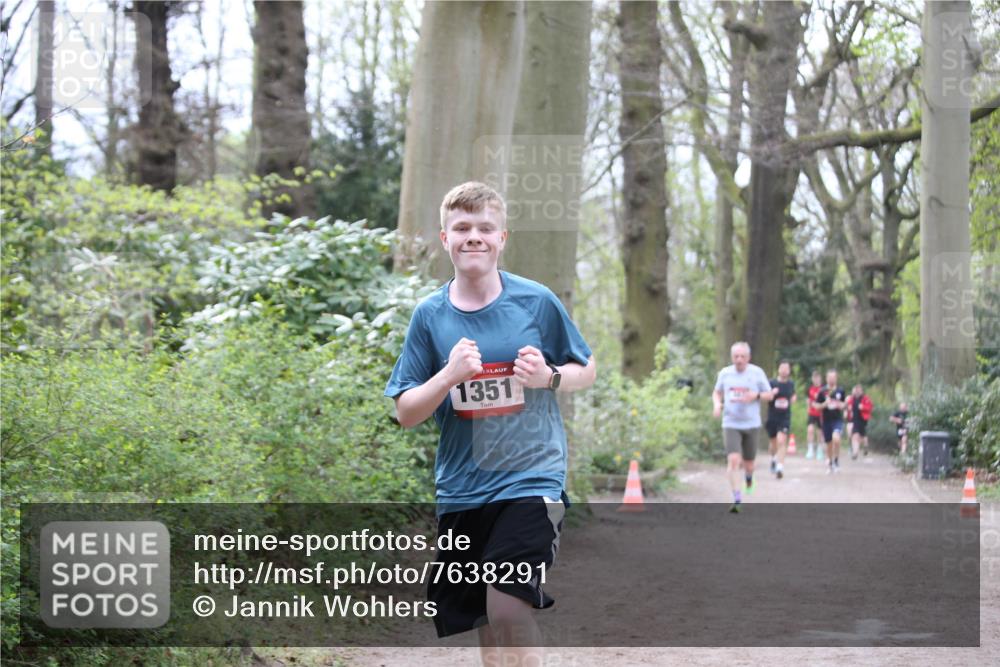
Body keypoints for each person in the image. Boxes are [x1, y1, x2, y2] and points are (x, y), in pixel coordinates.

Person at [385, 182, 596, 665]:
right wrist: (448, 375)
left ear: (503, 237)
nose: (473, 237)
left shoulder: (536, 302)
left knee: (507, 610)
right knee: (484, 620)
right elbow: (406, 411)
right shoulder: (430, 316)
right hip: (463, 488)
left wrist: (549, 377)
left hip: (532, 478)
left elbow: (587, 368)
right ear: (445, 239)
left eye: (485, 228)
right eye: (462, 228)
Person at [712, 342, 777, 512]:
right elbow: (717, 392)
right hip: (731, 423)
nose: (739, 360)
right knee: (734, 460)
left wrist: (755, 395)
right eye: (736, 356)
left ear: (748, 358)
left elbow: (769, 395)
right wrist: (717, 404)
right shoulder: (725, 374)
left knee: (749, 464)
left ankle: (749, 478)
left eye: (742, 357)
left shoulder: (757, 373)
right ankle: (737, 498)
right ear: (732, 357)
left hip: (751, 424)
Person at [766, 360, 796, 479]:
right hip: (772, 417)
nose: (784, 371)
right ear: (778, 369)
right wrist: (771, 393)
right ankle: (773, 458)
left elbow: (793, 394)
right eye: (782, 368)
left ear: (789, 371)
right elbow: (765, 397)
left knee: (782, 440)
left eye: (786, 369)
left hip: (785, 417)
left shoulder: (790, 384)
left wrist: (793, 398)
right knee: (773, 443)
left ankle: (780, 466)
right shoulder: (771, 382)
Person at [814, 370, 847, 473]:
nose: (832, 379)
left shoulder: (840, 391)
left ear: (836, 378)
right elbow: (816, 406)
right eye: (830, 377)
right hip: (826, 420)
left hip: (837, 420)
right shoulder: (822, 391)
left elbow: (844, 404)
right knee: (829, 444)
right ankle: (830, 462)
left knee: (836, 438)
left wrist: (839, 404)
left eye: (833, 377)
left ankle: (836, 459)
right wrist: (824, 404)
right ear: (827, 378)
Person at [847, 383, 873, 460]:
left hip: (863, 420)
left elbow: (870, 407)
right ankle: (855, 453)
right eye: (856, 390)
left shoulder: (865, 398)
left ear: (861, 391)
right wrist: (848, 408)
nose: (857, 392)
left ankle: (865, 446)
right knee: (855, 436)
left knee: (863, 435)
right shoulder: (852, 399)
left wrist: (863, 407)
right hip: (854, 420)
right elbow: (848, 405)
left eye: (859, 390)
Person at [805, 371, 823, 460]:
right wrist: (808, 408)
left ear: (820, 379)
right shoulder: (810, 389)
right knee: (810, 429)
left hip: (821, 414)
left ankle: (820, 449)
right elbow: (808, 400)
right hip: (812, 413)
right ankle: (810, 449)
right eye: (814, 378)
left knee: (819, 432)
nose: (816, 380)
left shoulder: (823, 389)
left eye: (817, 378)